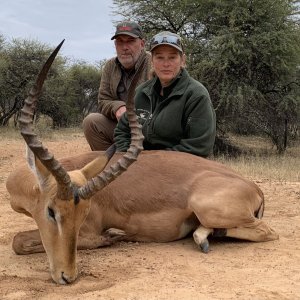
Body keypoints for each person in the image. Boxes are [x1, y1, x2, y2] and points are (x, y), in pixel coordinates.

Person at [114, 31, 216, 157]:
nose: (166, 64)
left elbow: (199, 146)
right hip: (141, 161)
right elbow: (122, 131)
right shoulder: (141, 91)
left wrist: (153, 159)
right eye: (160, 57)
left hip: (180, 165)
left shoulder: (197, 95)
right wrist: (128, 156)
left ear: (183, 60)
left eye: (172, 57)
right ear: (152, 60)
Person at [83, 21, 152, 150]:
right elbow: (103, 100)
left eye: (130, 41)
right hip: (122, 127)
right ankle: (109, 166)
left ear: (142, 44)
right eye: (120, 42)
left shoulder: (153, 62)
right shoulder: (110, 66)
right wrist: (118, 107)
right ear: (115, 45)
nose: (124, 47)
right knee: (91, 122)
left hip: (148, 128)